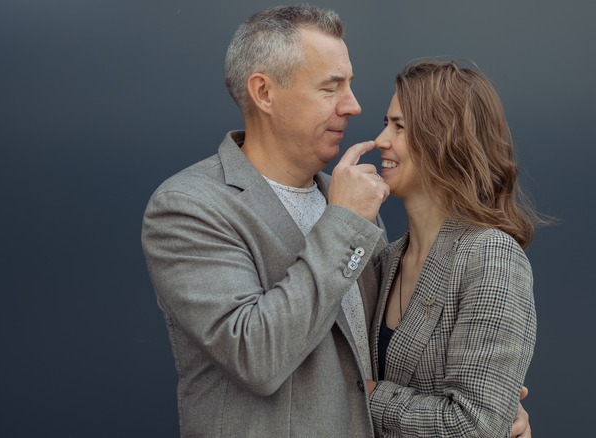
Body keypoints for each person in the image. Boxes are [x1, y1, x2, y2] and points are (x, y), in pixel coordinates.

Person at [141, 4, 531, 437]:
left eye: (351, 85)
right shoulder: (191, 206)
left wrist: (490, 409)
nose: (354, 105)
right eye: (332, 87)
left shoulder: (357, 210)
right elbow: (256, 356)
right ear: (264, 93)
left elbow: (381, 359)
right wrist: (343, 220)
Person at [364, 59, 539, 437]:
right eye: (385, 124)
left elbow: (474, 426)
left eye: (399, 127)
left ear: (443, 138)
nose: (381, 140)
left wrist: (367, 396)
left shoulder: (491, 257)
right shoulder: (386, 259)